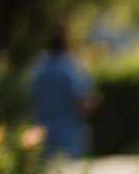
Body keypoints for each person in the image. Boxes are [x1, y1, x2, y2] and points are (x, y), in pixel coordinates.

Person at [29, 25, 95, 158]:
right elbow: (81, 102)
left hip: (43, 136)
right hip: (69, 137)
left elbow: (31, 100)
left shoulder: (39, 67)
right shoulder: (71, 67)